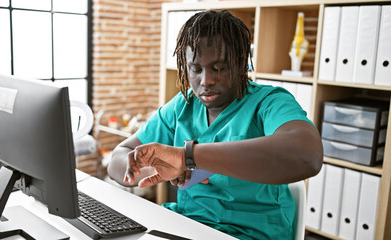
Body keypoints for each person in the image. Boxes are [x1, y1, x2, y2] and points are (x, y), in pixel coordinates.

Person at [108, 10, 323, 240]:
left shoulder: (268, 102)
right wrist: (154, 169)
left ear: (241, 63)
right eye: (196, 69)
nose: (206, 81)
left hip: (251, 234)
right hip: (186, 226)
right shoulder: (183, 105)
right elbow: (117, 159)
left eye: (219, 68)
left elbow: (306, 155)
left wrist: (187, 157)